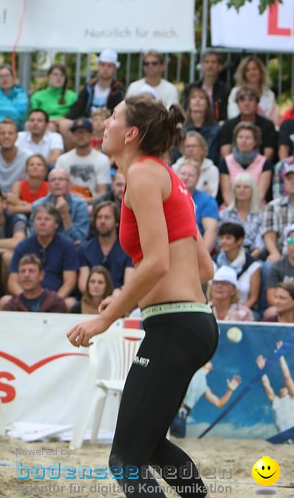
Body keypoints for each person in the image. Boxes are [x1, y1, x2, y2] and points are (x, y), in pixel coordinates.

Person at [66, 93, 218, 498]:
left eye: (112, 117)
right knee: (149, 448)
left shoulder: (143, 175)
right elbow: (204, 268)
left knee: (125, 460)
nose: (104, 123)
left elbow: (156, 264)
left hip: (175, 324)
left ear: (131, 133)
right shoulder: (168, 177)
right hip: (192, 322)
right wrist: (125, 296)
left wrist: (106, 316)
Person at [6, 204, 80, 307]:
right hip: (26, 298)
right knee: (4, 301)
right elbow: (12, 282)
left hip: (56, 300)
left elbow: (70, 282)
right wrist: (25, 300)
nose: (42, 223)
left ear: (56, 224)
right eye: (38, 219)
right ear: (33, 223)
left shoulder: (67, 245)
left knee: (70, 303)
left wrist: (53, 302)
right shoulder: (23, 246)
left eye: (47, 219)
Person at [60, 49, 126, 148]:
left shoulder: (118, 88)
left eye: (109, 66)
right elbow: (78, 107)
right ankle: (75, 154)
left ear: (114, 69)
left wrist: (104, 121)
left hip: (109, 123)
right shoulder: (89, 87)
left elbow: (120, 112)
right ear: (98, 66)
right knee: (64, 125)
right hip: (88, 122)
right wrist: (64, 119)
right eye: (102, 65)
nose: (105, 68)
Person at [169, 362, 241, 439]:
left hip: (181, 417)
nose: (211, 362)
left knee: (176, 443)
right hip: (172, 411)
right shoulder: (194, 369)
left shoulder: (204, 386)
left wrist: (230, 390)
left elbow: (219, 403)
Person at [79, 201, 135, 291]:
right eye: (99, 217)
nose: (102, 221)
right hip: (92, 299)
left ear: (117, 222)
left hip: (119, 298)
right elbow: (83, 285)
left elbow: (129, 284)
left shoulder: (127, 249)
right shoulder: (85, 249)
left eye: (107, 217)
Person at [54, 117, 111, 202]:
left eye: (83, 132)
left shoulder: (102, 160)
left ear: (92, 135)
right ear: (72, 135)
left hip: (93, 205)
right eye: (77, 133)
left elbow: (102, 192)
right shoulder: (62, 159)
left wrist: (83, 202)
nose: (80, 136)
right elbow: (56, 189)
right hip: (67, 203)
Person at [256, 346, 294, 441]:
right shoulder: (275, 400)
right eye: (280, 389)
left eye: (284, 387)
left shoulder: (293, 397)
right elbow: (266, 385)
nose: (282, 389)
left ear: (288, 391)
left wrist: (280, 356)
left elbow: (287, 376)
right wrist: (262, 370)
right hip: (284, 438)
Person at [218, 122, 274, 204]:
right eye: (240, 137)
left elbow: (261, 194)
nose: (243, 141)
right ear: (236, 140)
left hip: (257, 208)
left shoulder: (265, 163)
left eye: (248, 138)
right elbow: (226, 194)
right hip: (231, 208)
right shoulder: (225, 162)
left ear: (255, 141)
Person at [31, 169, 90, 244]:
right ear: (48, 186)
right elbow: (33, 237)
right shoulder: (37, 205)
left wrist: (65, 214)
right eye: (53, 180)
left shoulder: (80, 205)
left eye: (61, 179)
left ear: (69, 185)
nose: (57, 182)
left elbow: (79, 239)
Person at [214, 222, 262, 313]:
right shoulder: (213, 263)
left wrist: (238, 313)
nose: (223, 241)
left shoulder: (253, 266)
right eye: (221, 238)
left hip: (244, 313)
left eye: (228, 238)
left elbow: (253, 298)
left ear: (240, 240)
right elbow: (210, 295)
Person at [218, 88, 278, 161]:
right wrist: (233, 167)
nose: (246, 103)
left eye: (250, 100)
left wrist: (258, 167)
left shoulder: (267, 125)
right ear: (237, 103)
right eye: (242, 100)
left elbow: (269, 151)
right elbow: (225, 151)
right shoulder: (228, 125)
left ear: (257, 103)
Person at [175, 160, 219, 254]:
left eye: (191, 175)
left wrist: (202, 257)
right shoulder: (167, 197)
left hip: (195, 249)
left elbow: (211, 229)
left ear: (198, 179)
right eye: (183, 174)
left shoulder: (207, 200)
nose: (186, 178)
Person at [0, 254, 69, 313]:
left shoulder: (56, 303)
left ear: (41, 275)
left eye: (31, 271)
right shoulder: (12, 306)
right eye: (23, 271)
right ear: (18, 276)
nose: (26, 275)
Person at [219, 172, 264, 256]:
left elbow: (260, 244)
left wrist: (248, 261)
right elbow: (220, 242)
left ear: (253, 191)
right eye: (238, 187)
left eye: (246, 187)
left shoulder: (262, 215)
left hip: (254, 257)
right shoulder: (224, 214)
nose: (241, 190)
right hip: (228, 256)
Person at [228, 55, 279, 124]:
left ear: (261, 72)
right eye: (247, 70)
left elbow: (274, 120)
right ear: (243, 74)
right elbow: (232, 115)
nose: (252, 72)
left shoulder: (269, 94)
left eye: (254, 69)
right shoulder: (236, 92)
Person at [183, 50, 231, 122]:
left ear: (220, 66)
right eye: (206, 62)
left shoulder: (226, 90)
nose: (210, 66)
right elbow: (185, 111)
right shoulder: (190, 88)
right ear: (202, 65)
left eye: (213, 62)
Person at [177, 87, 220, 162]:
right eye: (194, 97)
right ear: (189, 103)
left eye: (201, 98)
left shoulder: (216, 129)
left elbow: (214, 155)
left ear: (207, 104)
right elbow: (176, 154)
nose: (197, 100)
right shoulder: (180, 128)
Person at [171, 131, 218, 198]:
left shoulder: (212, 170)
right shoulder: (175, 168)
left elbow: (211, 195)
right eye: (187, 146)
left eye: (194, 146)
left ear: (202, 148)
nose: (190, 149)